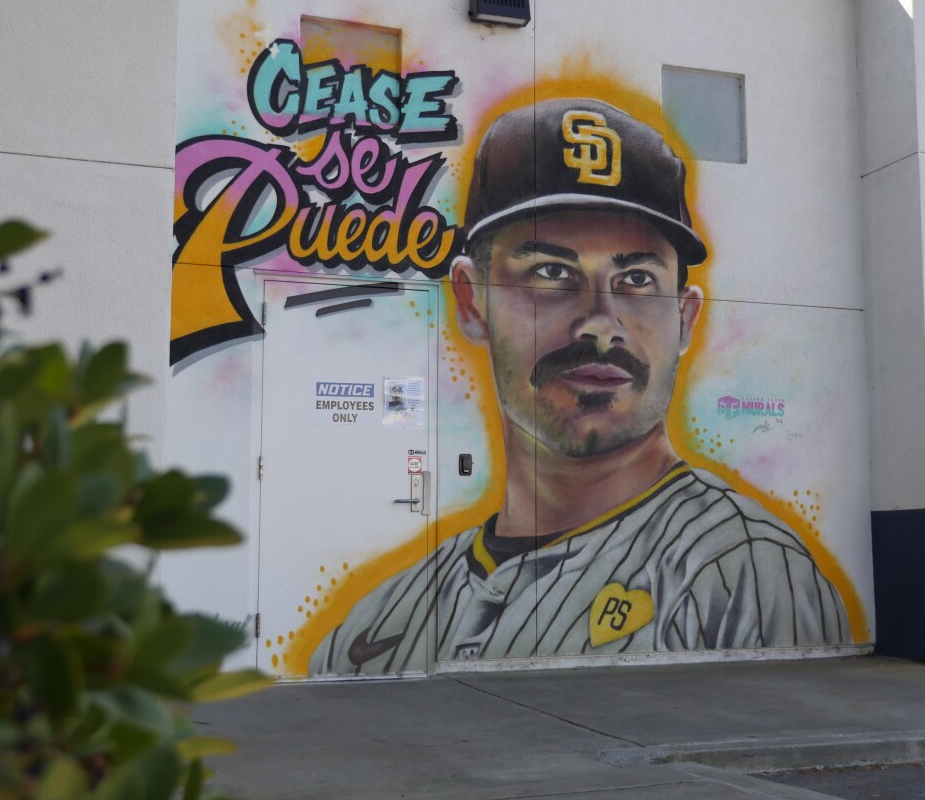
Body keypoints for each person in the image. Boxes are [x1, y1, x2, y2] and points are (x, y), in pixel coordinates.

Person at [310, 98, 849, 675]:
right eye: (550, 272)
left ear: (686, 319)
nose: (599, 321)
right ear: (472, 300)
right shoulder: (376, 625)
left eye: (637, 279)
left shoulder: (741, 569)